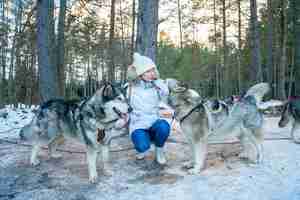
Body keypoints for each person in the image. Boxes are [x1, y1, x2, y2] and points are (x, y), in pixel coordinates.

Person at [127, 52, 174, 165]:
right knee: (143, 146)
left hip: (154, 120)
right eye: (148, 71)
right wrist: (122, 119)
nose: (151, 73)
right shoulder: (129, 88)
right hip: (138, 124)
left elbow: (166, 97)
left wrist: (161, 85)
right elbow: (124, 107)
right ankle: (142, 148)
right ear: (139, 73)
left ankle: (159, 150)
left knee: (164, 127)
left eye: (153, 70)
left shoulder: (157, 85)